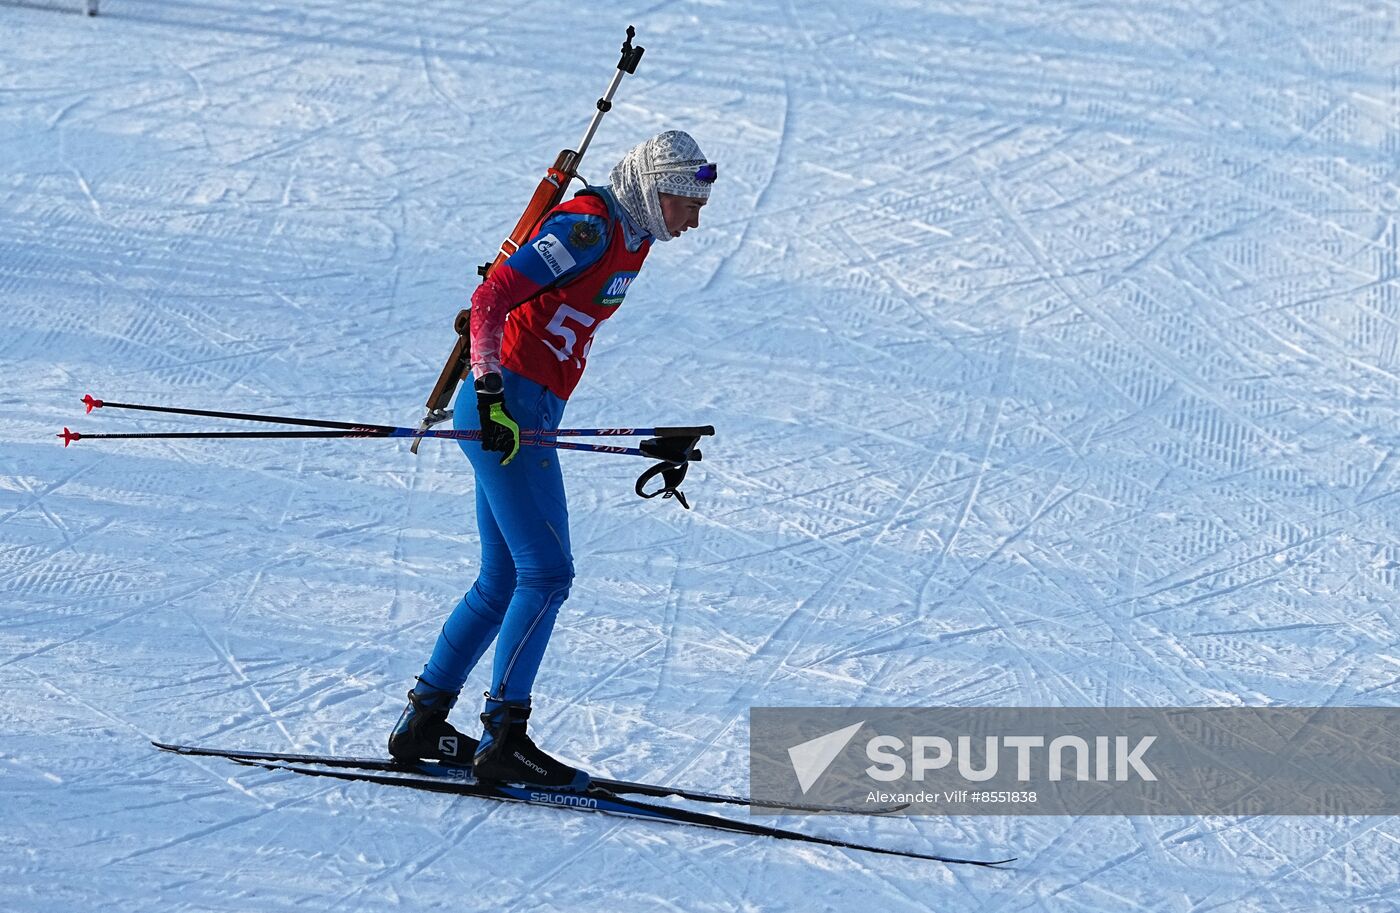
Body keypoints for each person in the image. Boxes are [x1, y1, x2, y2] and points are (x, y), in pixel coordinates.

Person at [387, 130, 716, 789]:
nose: (694, 220)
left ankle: (424, 720)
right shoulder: (590, 229)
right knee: (548, 572)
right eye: (688, 203)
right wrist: (489, 388)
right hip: (503, 409)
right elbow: (490, 300)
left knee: (504, 576)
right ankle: (504, 734)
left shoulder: (636, 237)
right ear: (656, 190)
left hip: (530, 411)